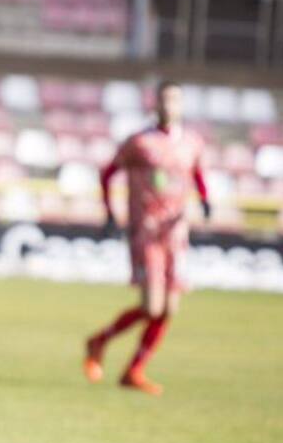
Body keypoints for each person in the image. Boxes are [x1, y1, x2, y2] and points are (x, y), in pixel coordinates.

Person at [83, 80, 210, 396]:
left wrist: (205, 199)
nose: (169, 105)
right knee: (153, 306)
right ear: (155, 104)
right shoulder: (139, 142)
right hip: (146, 232)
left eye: (175, 100)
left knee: (169, 308)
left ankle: (134, 370)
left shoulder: (192, 143)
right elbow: (107, 173)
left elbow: (197, 174)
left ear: (181, 105)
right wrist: (110, 212)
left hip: (176, 233)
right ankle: (99, 341)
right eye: (165, 99)